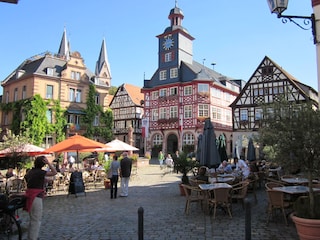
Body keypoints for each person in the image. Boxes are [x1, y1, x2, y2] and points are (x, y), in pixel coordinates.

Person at [24, 155, 57, 240]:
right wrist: (49, 163)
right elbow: (54, 172)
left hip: (29, 195)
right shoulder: (40, 172)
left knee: (32, 218)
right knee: (36, 219)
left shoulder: (30, 171)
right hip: (36, 196)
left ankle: (31, 236)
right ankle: (33, 238)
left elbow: (27, 179)